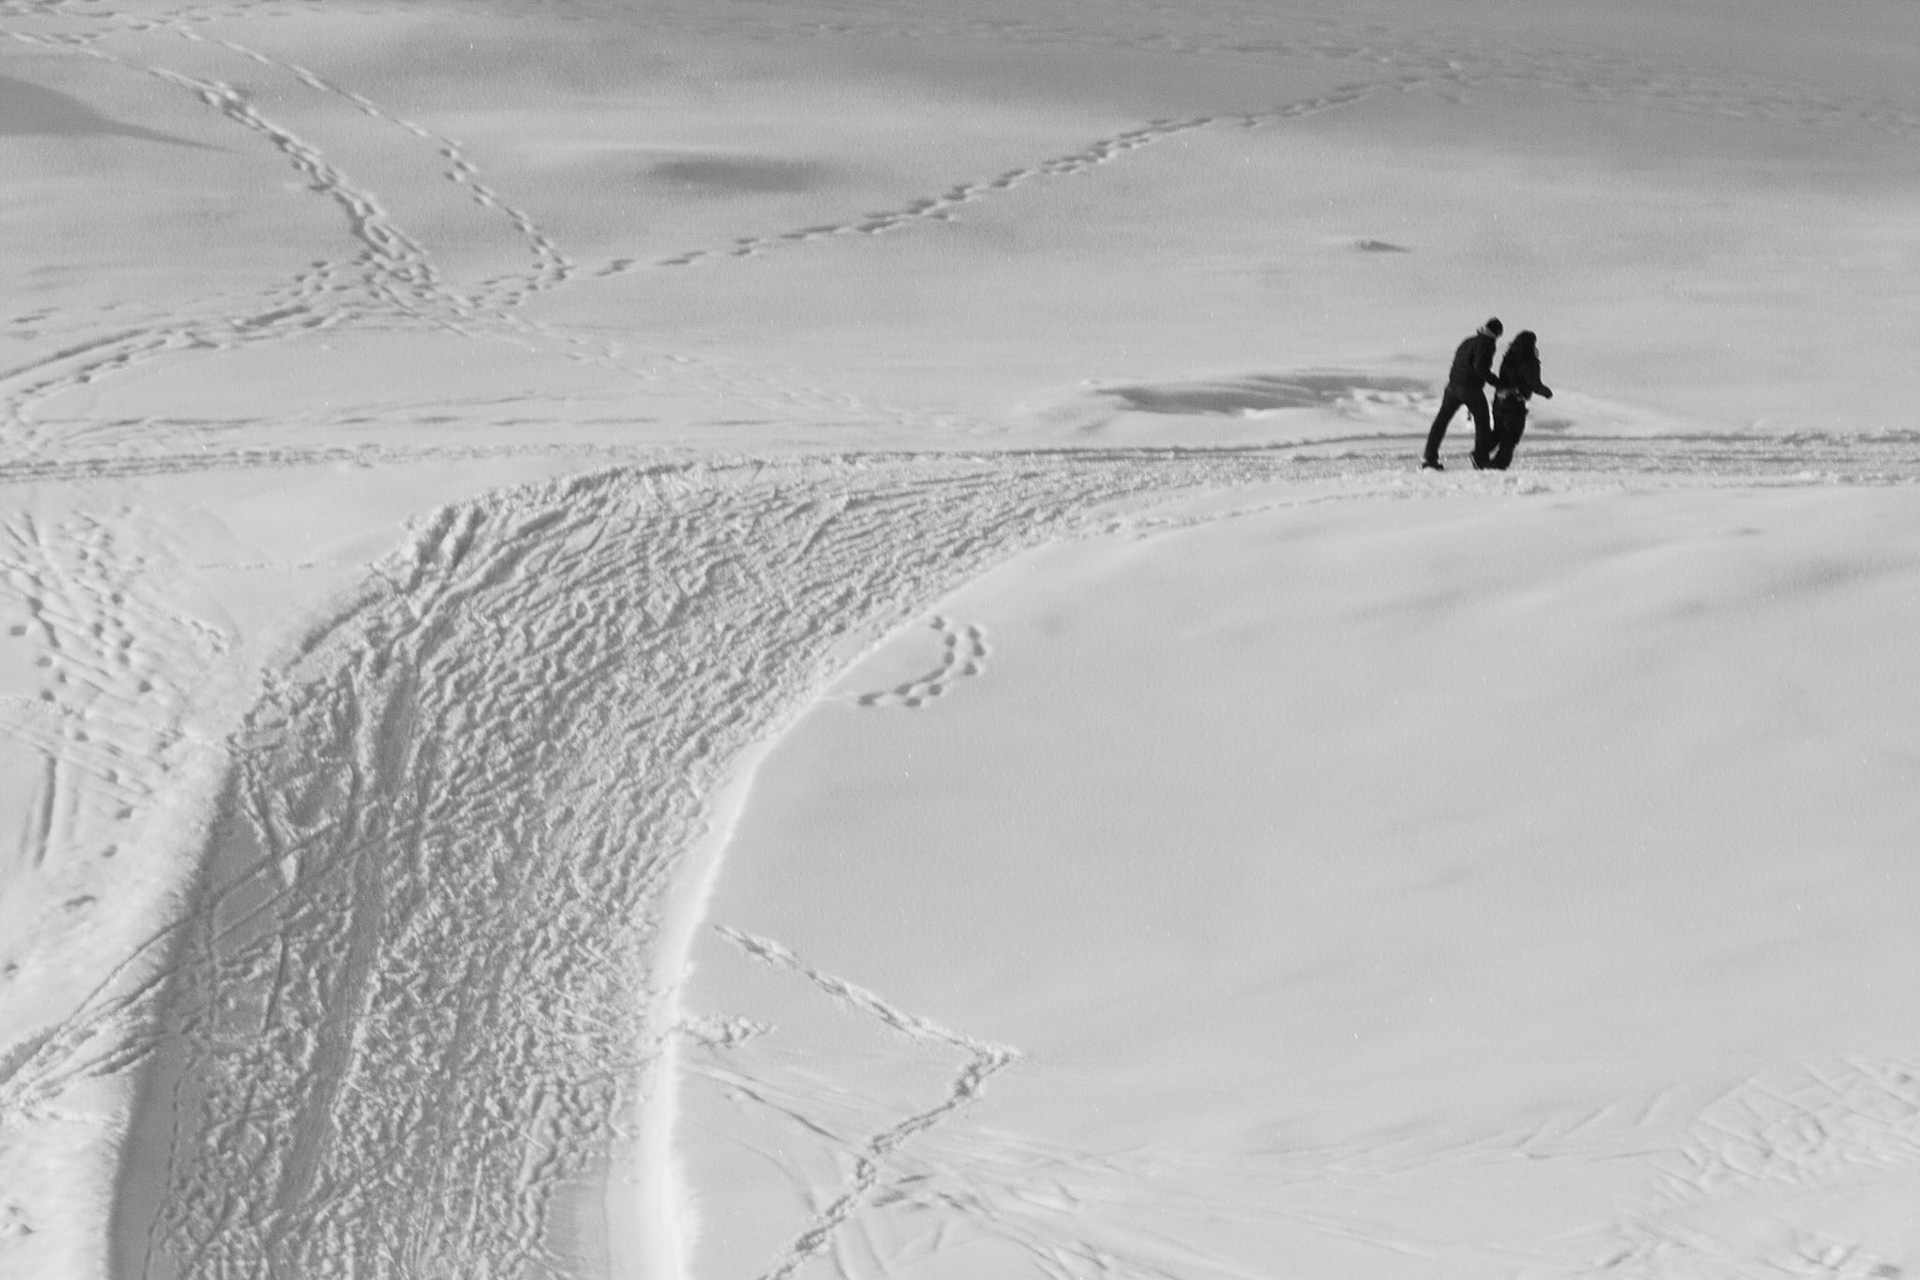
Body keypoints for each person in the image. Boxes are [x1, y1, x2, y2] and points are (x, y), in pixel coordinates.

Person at [1421, 317, 1504, 470]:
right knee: (1482, 422)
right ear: (1497, 333)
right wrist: (1498, 383)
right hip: (1470, 388)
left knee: (1441, 421)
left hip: (1452, 386)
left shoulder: (1469, 341)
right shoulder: (1487, 344)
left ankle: (1429, 457)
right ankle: (1480, 458)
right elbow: (1480, 368)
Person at [1486, 330, 1552, 470]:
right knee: (1512, 435)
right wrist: (1547, 393)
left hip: (1499, 399)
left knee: (1499, 432)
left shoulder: (1509, 356)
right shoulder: (1529, 359)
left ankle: (1479, 454)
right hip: (1514, 402)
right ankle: (1498, 464)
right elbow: (1534, 383)